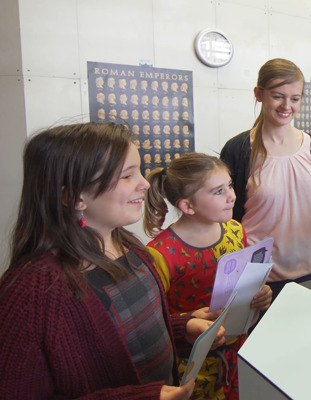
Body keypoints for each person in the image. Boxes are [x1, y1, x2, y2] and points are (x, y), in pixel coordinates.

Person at [0, 122, 225, 399]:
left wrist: (182, 328)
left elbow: (129, 331)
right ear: (73, 196)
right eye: (127, 176)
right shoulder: (31, 292)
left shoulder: (133, 249)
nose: (144, 183)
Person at [143, 152, 273, 400]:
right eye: (218, 191)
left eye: (230, 185)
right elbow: (156, 322)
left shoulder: (235, 229)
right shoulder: (160, 253)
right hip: (194, 364)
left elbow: (244, 285)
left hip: (238, 352)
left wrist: (260, 294)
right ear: (187, 206)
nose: (232, 196)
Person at [220, 58, 311, 297]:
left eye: (295, 98)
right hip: (261, 277)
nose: (286, 106)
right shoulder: (238, 150)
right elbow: (228, 218)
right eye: (278, 96)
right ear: (259, 94)